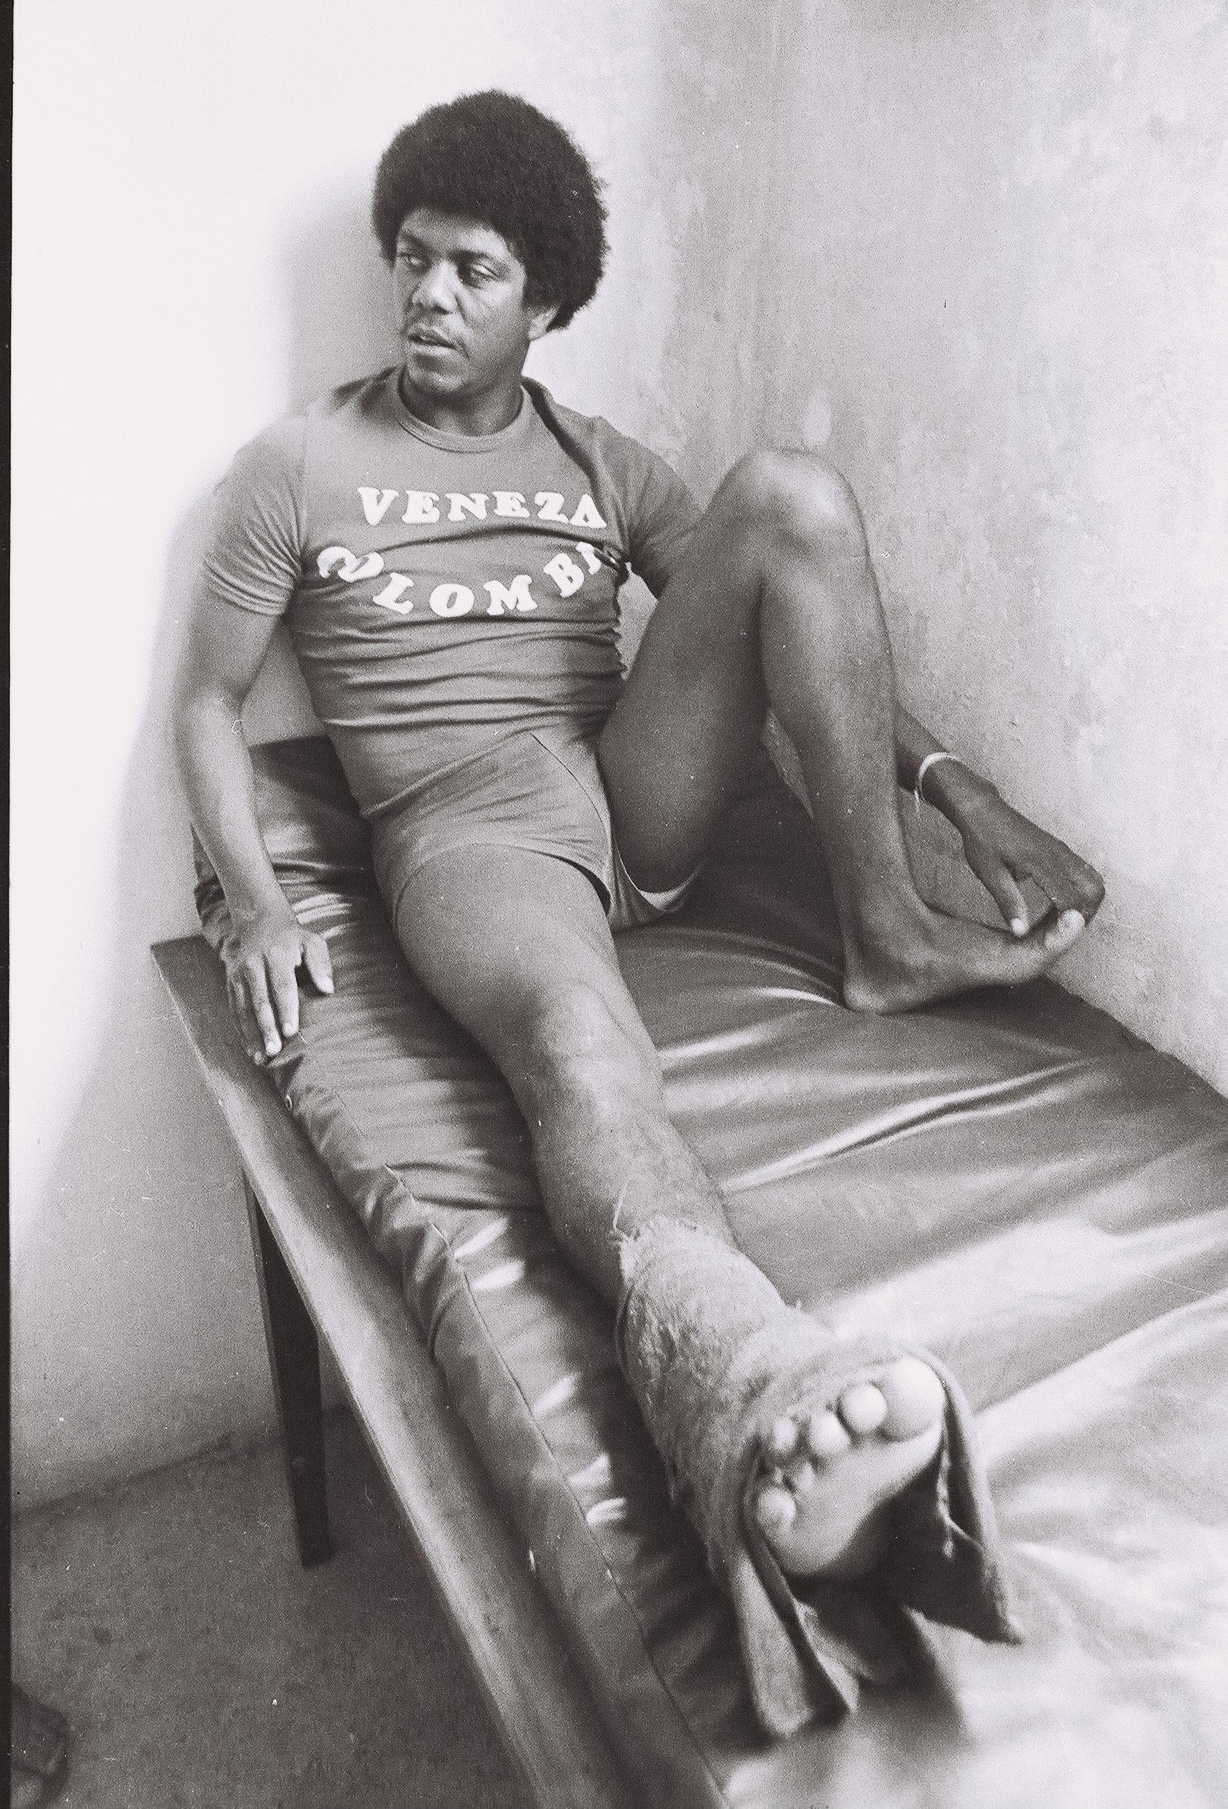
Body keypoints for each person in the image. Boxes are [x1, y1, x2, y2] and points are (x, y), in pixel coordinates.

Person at [175, 91, 1105, 1734]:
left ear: (545, 299)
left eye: (472, 269)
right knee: (578, 1048)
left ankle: (886, 933)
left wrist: (958, 788)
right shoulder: (301, 465)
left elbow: (797, 605)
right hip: (472, 834)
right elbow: (205, 702)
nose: (428, 295)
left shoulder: (600, 462)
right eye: (412, 259)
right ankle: (749, 1385)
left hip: (626, 786)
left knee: (790, 492)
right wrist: (252, 896)